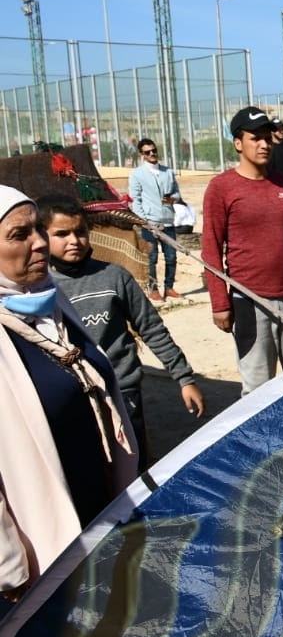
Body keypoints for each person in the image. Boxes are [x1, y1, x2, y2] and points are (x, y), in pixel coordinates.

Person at [0, 187, 136, 602]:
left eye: (38, 229)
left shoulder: (51, 299)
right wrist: (9, 567)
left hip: (97, 508)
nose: (40, 242)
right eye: (19, 235)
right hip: (41, 546)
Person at [41, 194, 204, 468]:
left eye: (80, 232)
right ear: (40, 237)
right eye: (61, 234)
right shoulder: (40, 289)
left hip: (123, 390)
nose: (74, 240)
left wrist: (185, 378)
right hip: (74, 397)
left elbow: (152, 329)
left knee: (132, 464)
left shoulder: (114, 277)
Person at [202, 106, 283, 396]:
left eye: (267, 137)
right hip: (249, 301)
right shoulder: (221, 188)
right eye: (256, 138)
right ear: (238, 143)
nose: (264, 144)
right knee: (258, 389)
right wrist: (220, 303)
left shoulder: (281, 184)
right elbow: (211, 249)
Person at [128, 137, 183, 301]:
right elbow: (135, 200)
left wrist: (172, 199)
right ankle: (153, 289)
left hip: (168, 220)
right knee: (151, 258)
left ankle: (169, 288)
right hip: (149, 223)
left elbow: (177, 194)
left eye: (153, 150)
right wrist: (144, 221)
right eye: (147, 152)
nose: (152, 154)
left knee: (171, 257)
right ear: (142, 154)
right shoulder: (137, 174)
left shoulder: (168, 172)